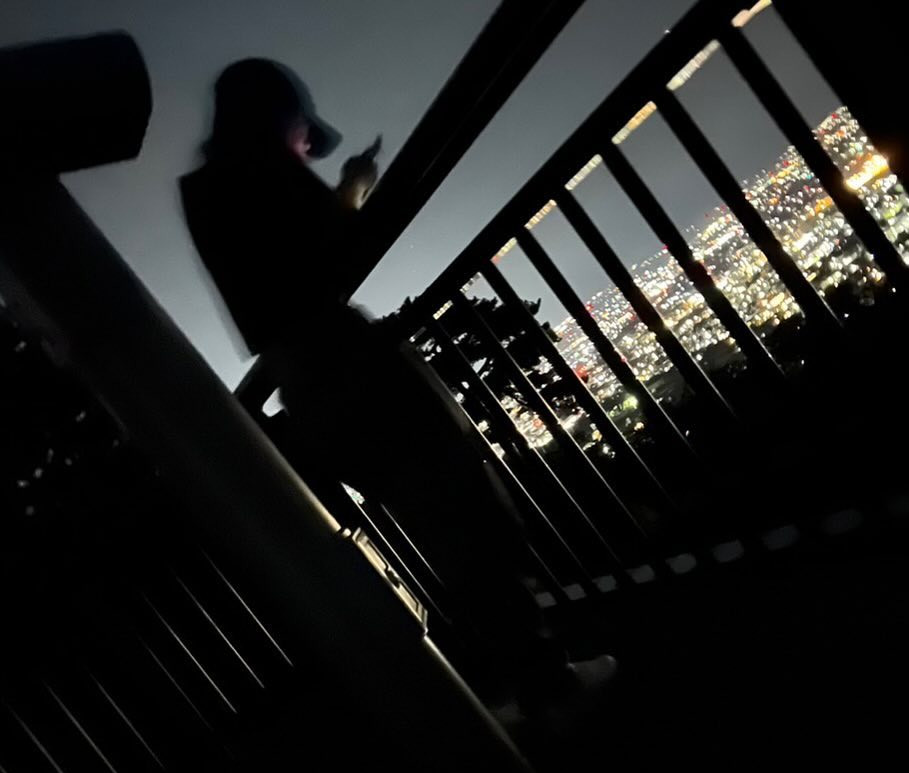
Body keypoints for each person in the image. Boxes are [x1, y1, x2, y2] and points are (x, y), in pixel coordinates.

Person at [180, 58, 614, 718]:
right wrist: (355, 186)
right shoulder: (261, 171)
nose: (305, 149)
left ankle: (520, 679)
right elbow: (333, 249)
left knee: (437, 525)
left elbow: (287, 274)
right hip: (353, 368)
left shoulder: (205, 194)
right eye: (302, 134)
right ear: (276, 120)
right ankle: (545, 682)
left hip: (307, 390)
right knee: (468, 508)